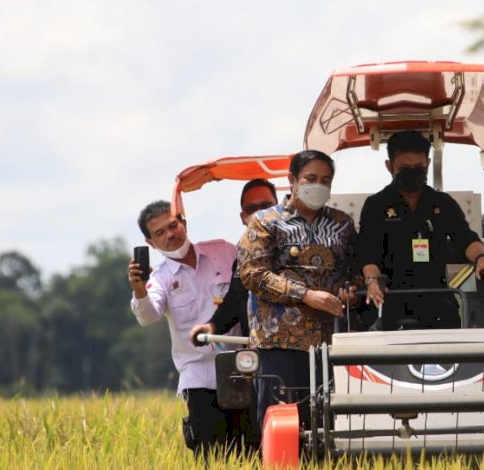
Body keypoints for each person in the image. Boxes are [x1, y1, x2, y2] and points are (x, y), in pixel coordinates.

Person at [237, 150, 358, 429]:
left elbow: (354, 271)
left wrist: (348, 290)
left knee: (331, 422)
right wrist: (305, 295)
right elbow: (253, 275)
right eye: (311, 178)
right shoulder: (265, 222)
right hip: (280, 341)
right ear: (292, 180)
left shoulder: (342, 224)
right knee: (283, 423)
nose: (318, 185)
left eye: (326, 180)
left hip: (331, 340)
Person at [126, 201, 253, 453]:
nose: (170, 235)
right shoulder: (161, 277)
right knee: (210, 454)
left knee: (250, 450)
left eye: (173, 225)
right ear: (150, 243)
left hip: (243, 367)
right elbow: (148, 315)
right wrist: (139, 289)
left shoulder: (225, 252)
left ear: (183, 222)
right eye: (160, 233)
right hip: (199, 375)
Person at [357, 131, 484, 330]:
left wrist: (482, 258)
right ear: (390, 167)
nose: (412, 173)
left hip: (437, 298)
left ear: (428, 164)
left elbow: (465, 238)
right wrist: (372, 280)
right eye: (404, 168)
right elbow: (367, 252)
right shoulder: (376, 205)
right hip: (390, 298)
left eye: (419, 168)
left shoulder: (442, 203)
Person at [189, 179, 279, 343]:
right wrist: (211, 327)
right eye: (252, 209)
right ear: (243, 217)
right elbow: (234, 302)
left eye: (266, 206)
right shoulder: (243, 258)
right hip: (256, 352)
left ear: (280, 208)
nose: (259, 213)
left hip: (297, 348)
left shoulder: (298, 248)